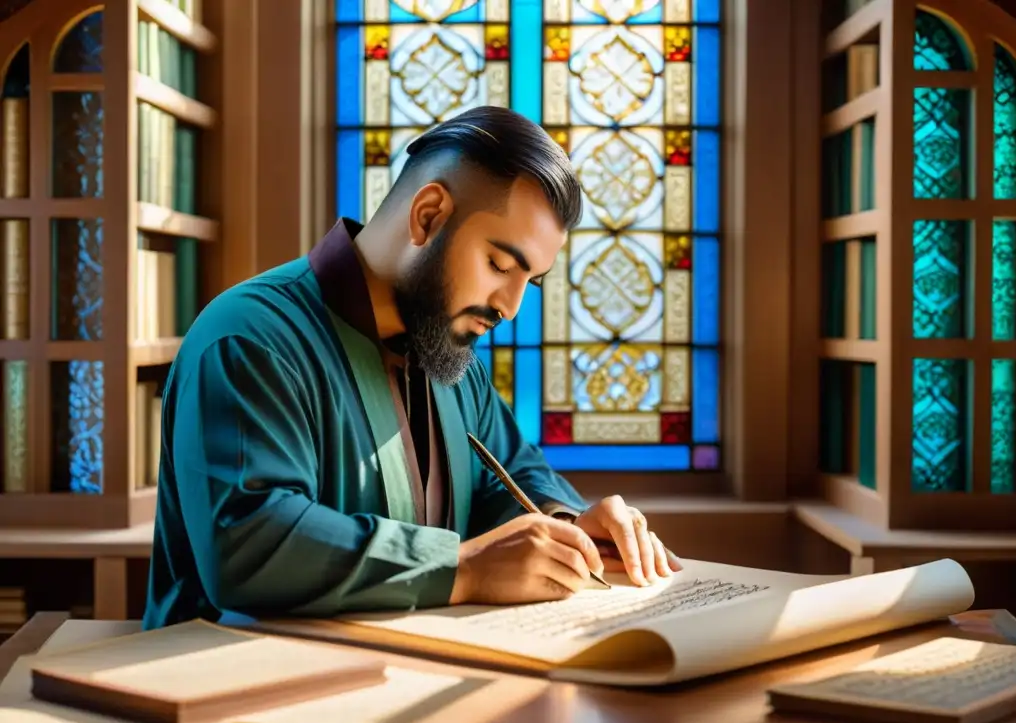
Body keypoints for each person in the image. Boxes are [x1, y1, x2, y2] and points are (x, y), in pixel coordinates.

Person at [142, 106, 681, 630]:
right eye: (499, 264)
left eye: (530, 280)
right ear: (427, 216)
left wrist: (570, 528)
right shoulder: (251, 338)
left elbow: (511, 475)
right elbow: (249, 544)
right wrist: (462, 569)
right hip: (227, 696)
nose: (511, 306)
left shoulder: (449, 350)